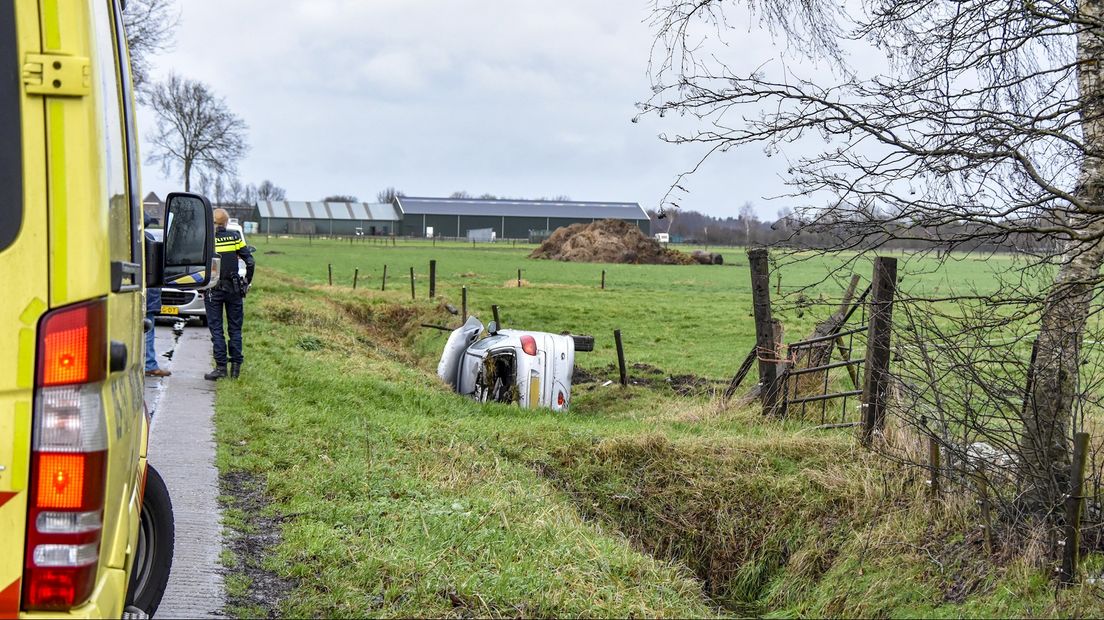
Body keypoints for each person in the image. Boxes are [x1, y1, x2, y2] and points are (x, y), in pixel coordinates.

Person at [204, 208, 255, 381]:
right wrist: (247, 281)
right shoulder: (235, 238)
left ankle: (220, 368)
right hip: (234, 289)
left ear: (213, 223)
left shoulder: (208, 240)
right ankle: (235, 369)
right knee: (235, 329)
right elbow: (250, 261)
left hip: (213, 288)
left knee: (216, 329)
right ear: (226, 222)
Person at [144, 214, 171, 378]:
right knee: (148, 330)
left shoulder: (126, 238)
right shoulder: (149, 238)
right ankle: (149, 364)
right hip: (149, 293)